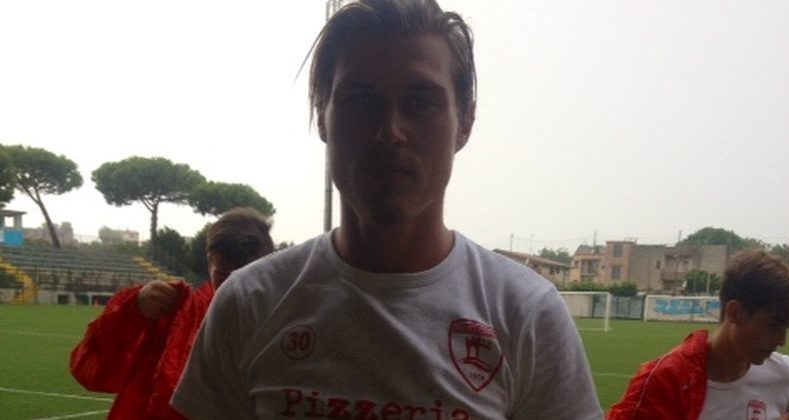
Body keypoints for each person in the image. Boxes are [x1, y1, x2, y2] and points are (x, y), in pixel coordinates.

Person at [172, 1, 603, 419]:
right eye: (360, 100)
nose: (389, 131)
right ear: (322, 116)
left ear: (465, 123)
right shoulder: (249, 303)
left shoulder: (526, 313)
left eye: (420, 102)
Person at [70, 207, 274, 419]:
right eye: (223, 274)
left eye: (245, 275)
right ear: (210, 261)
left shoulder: (280, 320)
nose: (232, 285)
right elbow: (92, 370)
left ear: (269, 269)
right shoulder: (174, 311)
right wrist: (133, 311)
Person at [607, 250, 789, 420]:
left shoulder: (786, 374)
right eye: (773, 325)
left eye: (787, 327)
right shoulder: (667, 381)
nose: (781, 340)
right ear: (734, 313)